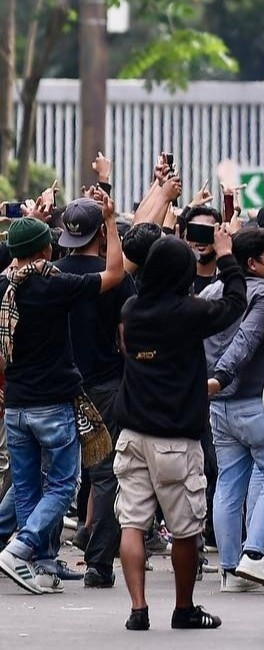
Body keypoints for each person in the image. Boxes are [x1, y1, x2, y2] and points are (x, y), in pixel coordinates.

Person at [113, 229, 246, 631]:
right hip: (175, 438)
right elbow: (234, 304)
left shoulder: (133, 309)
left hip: (132, 434)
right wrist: (226, 257)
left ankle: (138, 610)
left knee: (132, 523)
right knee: (185, 528)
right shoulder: (188, 313)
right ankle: (183, 608)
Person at [0, 194, 125, 595]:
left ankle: (42, 565)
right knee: (63, 485)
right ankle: (21, 547)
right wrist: (109, 222)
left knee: (25, 488)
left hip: (16, 405)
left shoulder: (5, 286)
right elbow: (114, 276)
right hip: (52, 403)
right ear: (45, 249)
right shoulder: (53, 284)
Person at [202, 228, 264, 592]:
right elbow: (247, 339)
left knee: (228, 482)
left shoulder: (210, 290)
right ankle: (255, 556)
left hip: (219, 408)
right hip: (256, 402)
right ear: (252, 263)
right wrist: (221, 378)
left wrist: (213, 383)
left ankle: (228, 569)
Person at [55, 197, 137, 588]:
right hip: (105, 384)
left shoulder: (50, 275)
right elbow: (126, 338)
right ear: (100, 233)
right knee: (106, 476)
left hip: (57, 384)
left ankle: (42, 555)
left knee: (53, 473)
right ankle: (99, 563)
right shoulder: (113, 278)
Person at [183, 206, 223, 295]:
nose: (200, 240)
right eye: (195, 231)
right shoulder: (179, 277)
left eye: (206, 232)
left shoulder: (226, 279)